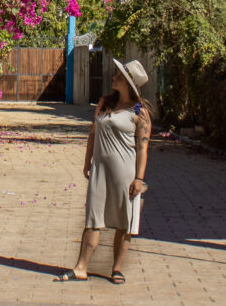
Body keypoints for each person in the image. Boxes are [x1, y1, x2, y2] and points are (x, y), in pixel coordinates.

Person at [55, 58, 152, 285]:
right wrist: (87, 161)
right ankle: (81, 267)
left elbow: (142, 147)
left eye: (119, 76)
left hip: (125, 173)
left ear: (128, 83)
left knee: (124, 221)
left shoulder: (139, 111)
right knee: (93, 217)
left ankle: (116, 269)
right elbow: (92, 133)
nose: (113, 77)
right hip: (100, 170)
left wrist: (139, 178)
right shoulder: (105, 102)